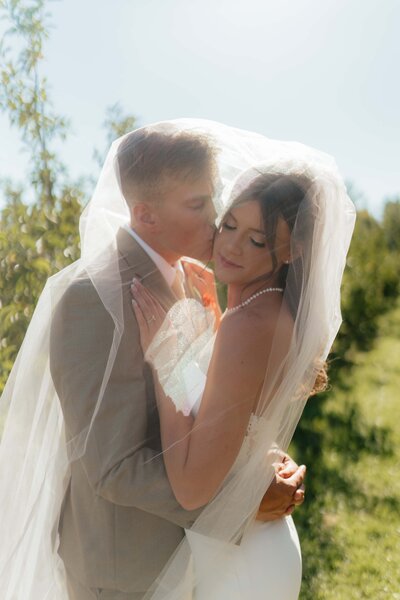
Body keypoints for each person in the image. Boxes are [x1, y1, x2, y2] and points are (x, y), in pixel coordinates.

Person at [0, 121, 307, 600]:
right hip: (124, 571)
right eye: (197, 204)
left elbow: (214, 404)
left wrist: (258, 461)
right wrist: (243, 502)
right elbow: (111, 466)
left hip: (191, 559)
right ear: (146, 214)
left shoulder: (193, 279)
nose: (215, 217)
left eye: (213, 198)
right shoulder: (90, 299)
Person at [130, 150, 355, 598]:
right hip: (256, 547)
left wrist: (165, 359)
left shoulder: (248, 325)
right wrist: (214, 318)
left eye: (256, 240)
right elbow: (237, 414)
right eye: (229, 224)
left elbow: (193, 488)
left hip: (240, 562)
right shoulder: (268, 310)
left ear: (292, 249)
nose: (231, 246)